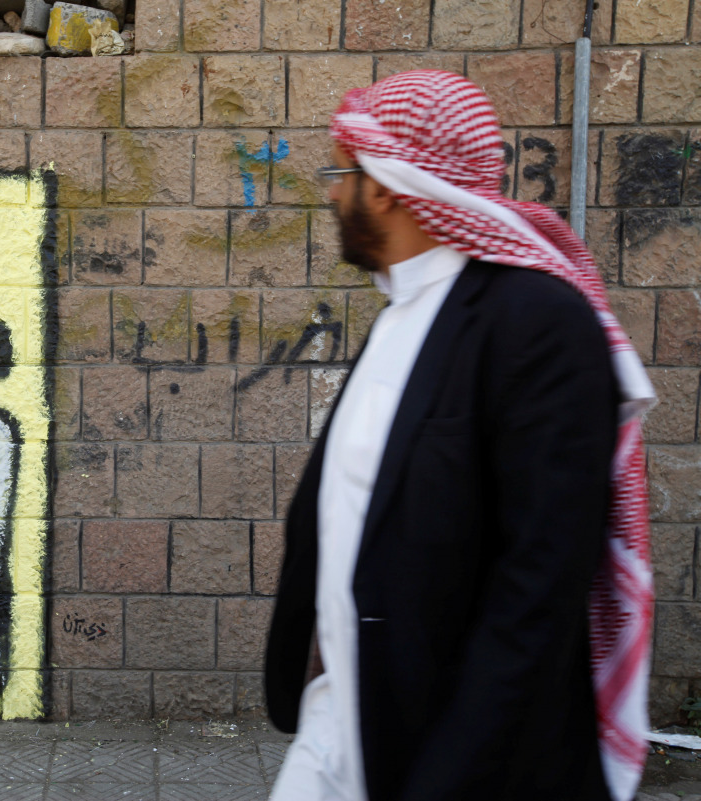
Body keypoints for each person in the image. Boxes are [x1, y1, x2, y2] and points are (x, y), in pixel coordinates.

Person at [263, 70, 656, 801]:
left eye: (340, 173)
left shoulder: (537, 325)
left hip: (457, 755)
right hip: (347, 719)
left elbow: (537, 589)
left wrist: (449, 776)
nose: (331, 192)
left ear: (384, 184)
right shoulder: (405, 311)